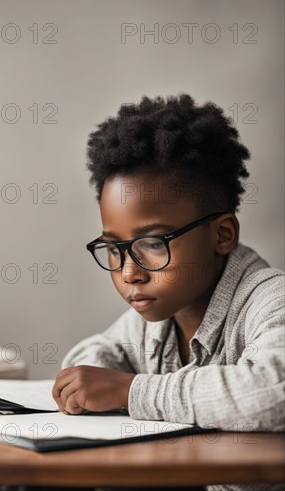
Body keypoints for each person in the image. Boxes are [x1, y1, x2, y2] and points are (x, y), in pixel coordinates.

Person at [52, 94, 284, 491]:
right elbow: (92, 355)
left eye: (155, 243)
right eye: (113, 248)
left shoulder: (270, 299)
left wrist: (130, 391)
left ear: (222, 234)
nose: (130, 273)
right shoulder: (157, 318)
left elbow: (271, 395)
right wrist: (96, 379)